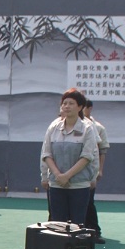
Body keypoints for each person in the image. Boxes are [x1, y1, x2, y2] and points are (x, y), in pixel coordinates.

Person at [40, 88, 99, 225]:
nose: (66, 106)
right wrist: (58, 175)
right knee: (57, 225)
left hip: (79, 185)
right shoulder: (53, 127)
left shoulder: (87, 128)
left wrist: (67, 176)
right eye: (64, 103)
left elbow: (87, 157)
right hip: (57, 184)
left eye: (71, 103)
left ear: (80, 107)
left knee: (77, 225)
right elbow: (46, 154)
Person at [82, 100, 109, 242]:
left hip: (89, 171)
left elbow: (101, 151)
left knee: (88, 202)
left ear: (89, 108)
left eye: (83, 107)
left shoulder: (97, 128)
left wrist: (99, 170)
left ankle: (94, 231)